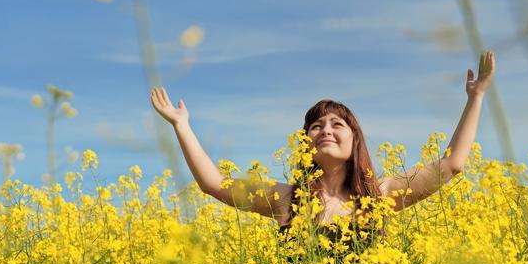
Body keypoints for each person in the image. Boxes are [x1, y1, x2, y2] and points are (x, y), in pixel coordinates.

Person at [150, 51, 496, 234]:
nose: (325, 130)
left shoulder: (380, 197)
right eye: (315, 126)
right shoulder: (286, 200)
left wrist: (475, 98)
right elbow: (214, 184)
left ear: (354, 138)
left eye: (336, 123)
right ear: (305, 143)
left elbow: (451, 165)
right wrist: (182, 125)